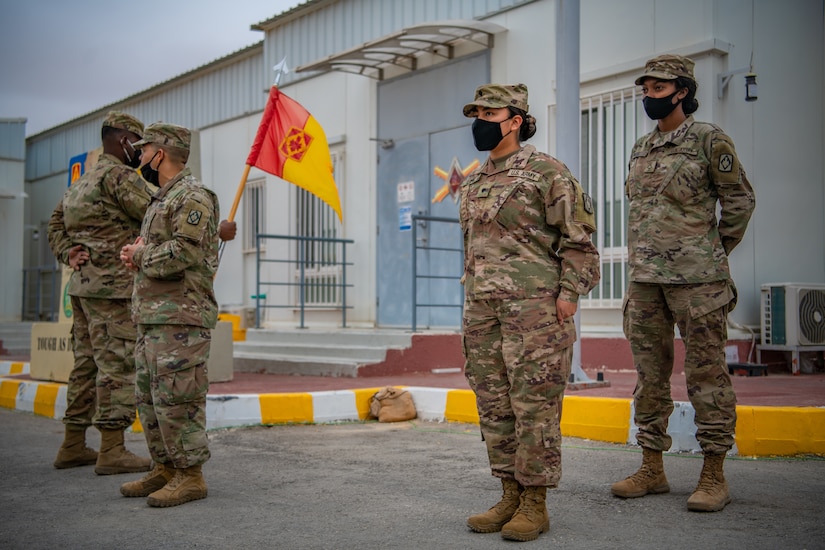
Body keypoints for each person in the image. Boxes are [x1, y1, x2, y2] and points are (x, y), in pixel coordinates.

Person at [611, 55, 755, 512]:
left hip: (698, 283)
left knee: (706, 375)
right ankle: (652, 468)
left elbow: (740, 202)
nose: (650, 96)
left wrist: (710, 253)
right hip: (646, 282)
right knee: (649, 378)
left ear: (682, 92)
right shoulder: (640, 149)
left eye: (659, 88)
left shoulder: (709, 140)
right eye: (646, 88)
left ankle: (714, 474)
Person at [460, 84, 600, 541]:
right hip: (483, 311)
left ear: (515, 119)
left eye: (489, 112)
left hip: (535, 311)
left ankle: (535, 502)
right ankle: (509, 493)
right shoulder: (476, 180)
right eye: (475, 113)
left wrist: (569, 296)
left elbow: (579, 241)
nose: (480, 120)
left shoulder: (547, 172)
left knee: (533, 406)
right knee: (495, 404)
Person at [118, 123, 220, 508]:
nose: (140, 157)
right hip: (154, 316)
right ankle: (164, 468)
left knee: (179, 398)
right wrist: (136, 255)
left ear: (160, 154)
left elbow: (184, 253)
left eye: (144, 151)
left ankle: (190, 475)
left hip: (181, 317)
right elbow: (160, 249)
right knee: (150, 398)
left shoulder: (192, 196)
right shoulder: (161, 199)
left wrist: (140, 255)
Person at [47, 111, 154, 475]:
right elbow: (158, 212)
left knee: (85, 365)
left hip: (83, 289)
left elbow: (55, 222)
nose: (140, 155)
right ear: (124, 140)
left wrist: (67, 251)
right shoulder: (120, 176)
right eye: (137, 146)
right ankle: (112, 449)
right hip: (114, 291)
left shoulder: (83, 180)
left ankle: (73, 444)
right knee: (117, 366)